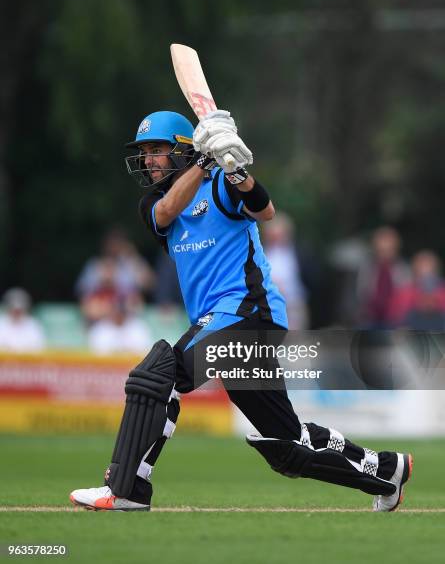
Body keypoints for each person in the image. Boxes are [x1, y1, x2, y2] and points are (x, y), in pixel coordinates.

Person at [70, 110, 412, 512]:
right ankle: (387, 472)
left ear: (182, 149)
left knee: (160, 372)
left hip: (247, 312)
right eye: (144, 152)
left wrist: (232, 167)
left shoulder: (219, 186)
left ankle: (127, 489)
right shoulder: (156, 202)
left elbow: (264, 209)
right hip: (229, 321)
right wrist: (204, 160)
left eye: (157, 150)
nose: (148, 160)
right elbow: (166, 215)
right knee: (287, 444)